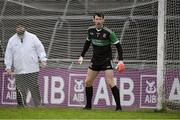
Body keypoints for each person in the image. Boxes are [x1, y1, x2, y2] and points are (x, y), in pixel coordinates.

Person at [78, 12, 124, 111]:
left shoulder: (109, 32)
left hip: (106, 60)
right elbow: (87, 43)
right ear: (93, 20)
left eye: (100, 19)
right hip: (95, 60)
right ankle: (88, 106)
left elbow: (118, 46)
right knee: (88, 82)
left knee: (110, 82)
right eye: (97, 19)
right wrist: (82, 56)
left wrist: (121, 60)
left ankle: (119, 108)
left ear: (104, 20)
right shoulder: (90, 30)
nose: (98, 21)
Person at [4, 22, 47, 107]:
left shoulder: (33, 37)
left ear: (25, 28)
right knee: (20, 89)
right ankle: (21, 106)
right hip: (19, 70)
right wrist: (8, 67)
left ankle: (38, 105)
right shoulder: (12, 40)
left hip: (32, 69)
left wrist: (43, 60)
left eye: (22, 27)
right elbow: (8, 54)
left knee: (34, 88)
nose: (20, 28)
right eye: (18, 27)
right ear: (16, 29)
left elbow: (40, 49)